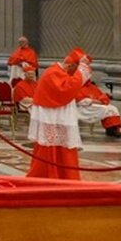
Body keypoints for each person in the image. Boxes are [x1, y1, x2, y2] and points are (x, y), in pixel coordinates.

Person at [28, 49, 92, 180]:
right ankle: (53, 176)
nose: (73, 74)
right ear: (71, 66)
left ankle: (66, 176)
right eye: (75, 70)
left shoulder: (59, 72)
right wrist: (82, 70)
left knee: (62, 145)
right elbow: (67, 88)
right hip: (52, 115)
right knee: (50, 146)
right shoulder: (53, 73)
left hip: (59, 115)